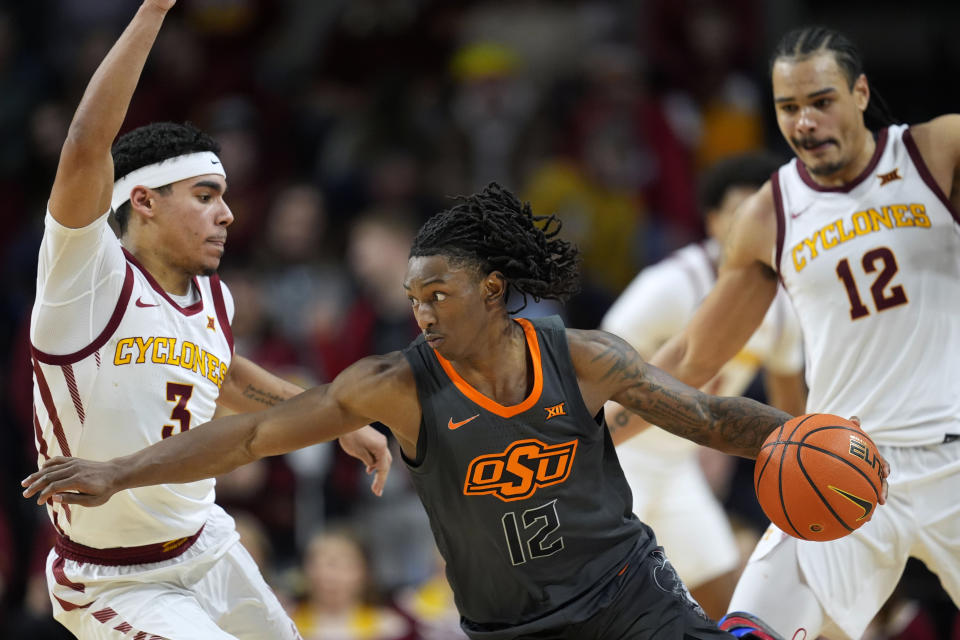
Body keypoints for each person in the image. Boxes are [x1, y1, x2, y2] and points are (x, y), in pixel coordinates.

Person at [23, 182, 889, 640]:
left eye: (437, 293)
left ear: (493, 288)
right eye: (412, 297)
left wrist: (799, 438)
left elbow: (704, 414)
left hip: (629, 595)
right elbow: (250, 432)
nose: (423, 313)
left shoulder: (584, 358)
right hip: (510, 625)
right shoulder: (395, 383)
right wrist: (118, 470)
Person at [26, 2, 390, 638]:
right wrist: (154, 10)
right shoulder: (85, 280)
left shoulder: (213, 299)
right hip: (115, 578)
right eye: (204, 197)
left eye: (223, 198)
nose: (227, 215)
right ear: (142, 200)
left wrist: (332, 414)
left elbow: (217, 376)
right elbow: (86, 145)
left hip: (208, 548)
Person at [609, 25, 960, 640]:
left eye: (821, 101)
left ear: (859, 93)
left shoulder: (936, 151)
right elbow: (692, 354)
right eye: (788, 108)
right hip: (844, 463)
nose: (804, 123)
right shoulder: (769, 213)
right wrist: (584, 428)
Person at [601, 152, 807, 620]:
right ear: (713, 221)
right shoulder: (670, 285)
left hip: (677, 472)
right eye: (740, 212)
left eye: (769, 213)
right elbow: (590, 376)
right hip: (616, 462)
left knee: (729, 608)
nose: (755, 224)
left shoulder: (783, 307)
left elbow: (795, 420)